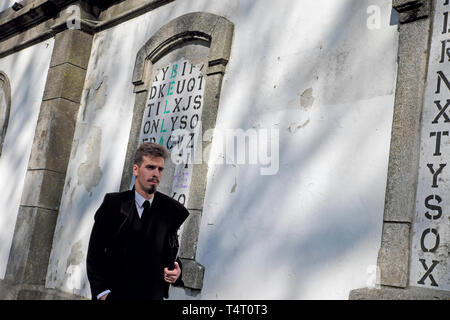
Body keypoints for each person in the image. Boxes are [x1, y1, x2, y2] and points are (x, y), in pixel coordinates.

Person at [86, 142, 189, 300]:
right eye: (150, 167)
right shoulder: (114, 204)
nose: (156, 173)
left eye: (160, 169)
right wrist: (102, 293)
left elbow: (170, 253)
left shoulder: (170, 210)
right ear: (136, 169)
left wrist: (177, 271)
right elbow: (95, 253)